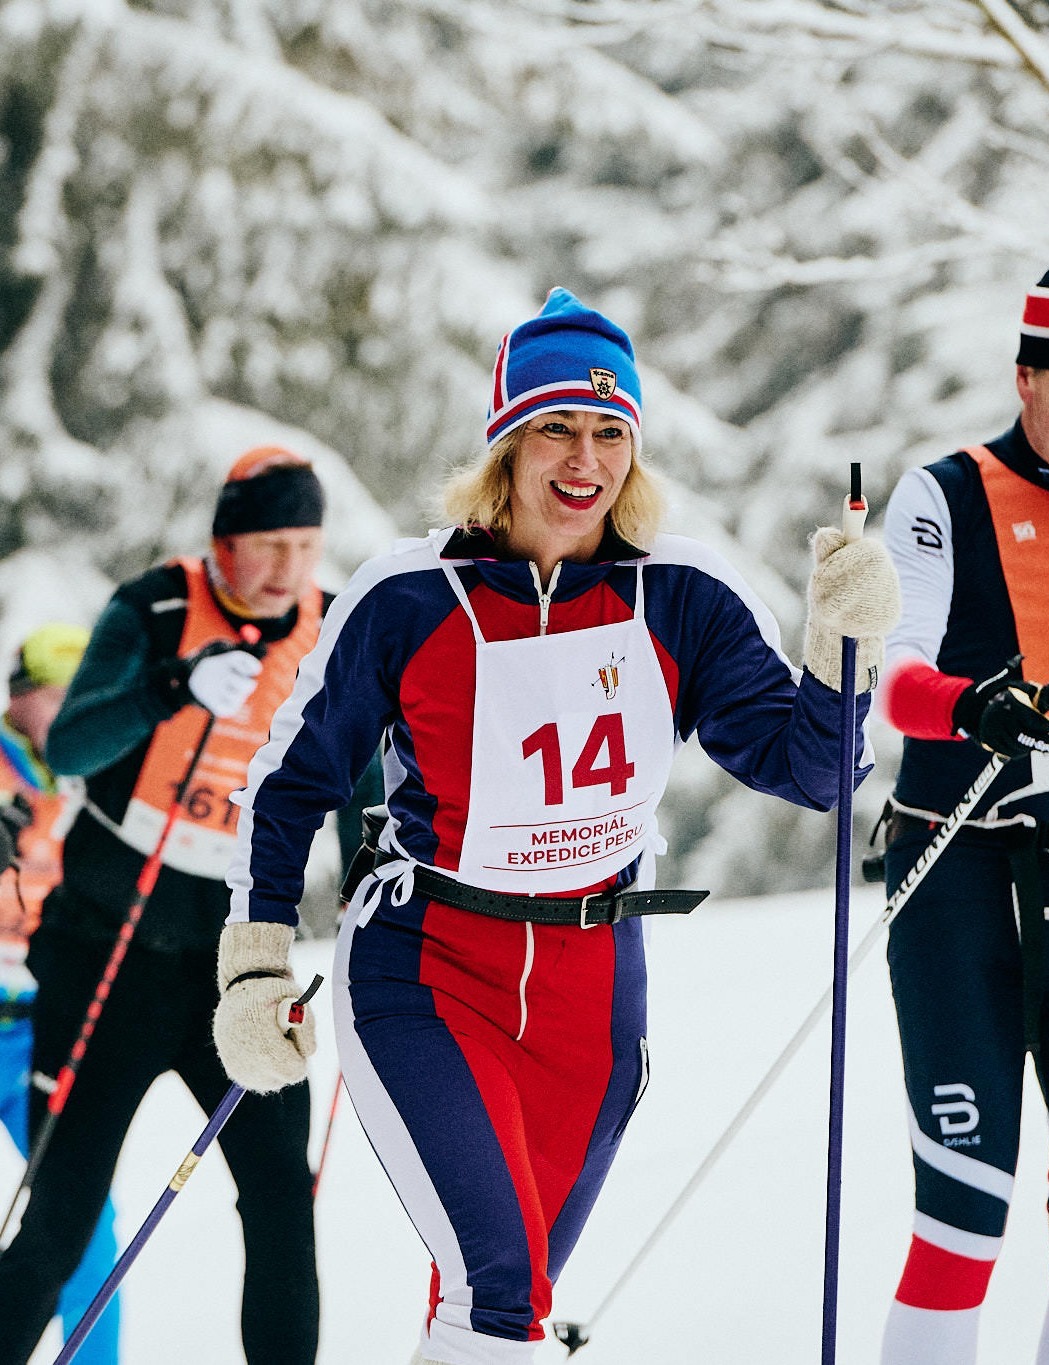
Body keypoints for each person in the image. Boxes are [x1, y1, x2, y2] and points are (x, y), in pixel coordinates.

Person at [210, 287, 901, 1364]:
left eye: (610, 433)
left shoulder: (683, 596)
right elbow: (290, 783)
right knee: (502, 1290)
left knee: (495, 1299)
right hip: (426, 971)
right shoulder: (409, 594)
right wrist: (253, 966)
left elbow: (812, 771)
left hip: (593, 993)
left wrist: (839, 655)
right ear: (505, 445)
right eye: (556, 429)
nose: (585, 459)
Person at [0, 447, 338, 1364]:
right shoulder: (154, 606)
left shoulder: (333, 625)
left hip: (242, 961)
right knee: (61, 1219)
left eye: (305, 545)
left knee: (280, 1202)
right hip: (108, 951)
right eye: (268, 543)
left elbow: (377, 769)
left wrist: (378, 858)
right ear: (224, 544)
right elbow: (71, 741)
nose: (287, 569)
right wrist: (171, 686)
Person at [876, 249, 1049, 1364]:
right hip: (957, 874)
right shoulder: (945, 493)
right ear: (1026, 380)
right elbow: (895, 672)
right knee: (961, 1215)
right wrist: (967, 706)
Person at [0, 623, 121, 1364]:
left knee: (82, 1221)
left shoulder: (85, 779)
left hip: (34, 1029)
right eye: (62, 700)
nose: (78, 717)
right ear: (21, 699)